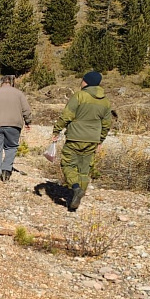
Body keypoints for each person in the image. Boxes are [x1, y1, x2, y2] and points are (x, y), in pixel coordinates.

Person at [52, 71, 112, 211]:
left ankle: (75, 188)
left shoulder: (79, 96)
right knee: (85, 170)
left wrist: (57, 130)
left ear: (86, 81)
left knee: (67, 164)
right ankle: (76, 201)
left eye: (83, 80)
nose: (81, 82)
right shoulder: (106, 101)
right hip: (92, 139)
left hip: (75, 137)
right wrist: (100, 140)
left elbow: (67, 115)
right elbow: (106, 124)